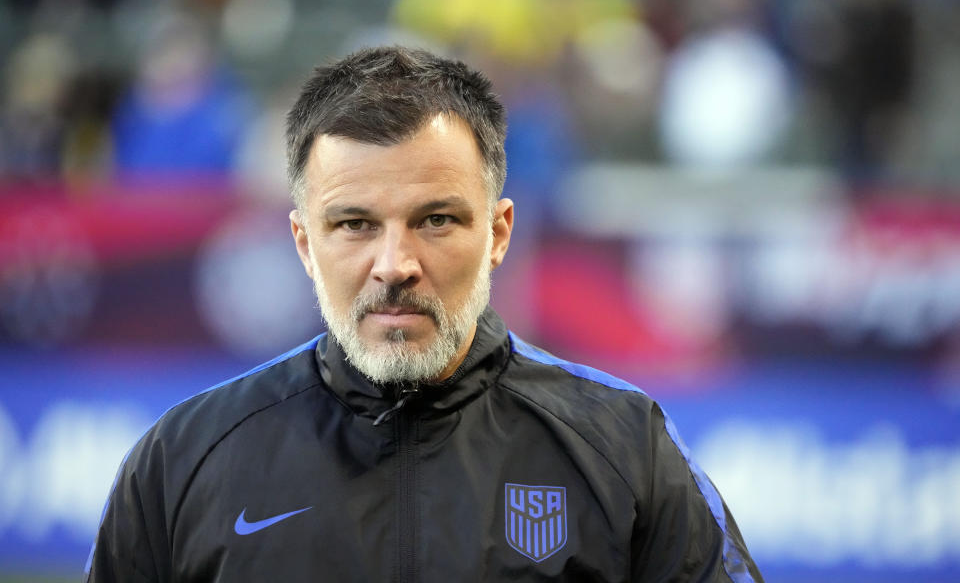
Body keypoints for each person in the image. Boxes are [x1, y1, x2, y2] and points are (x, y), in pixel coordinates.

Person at [85, 46, 763, 582]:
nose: (394, 264)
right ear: (303, 244)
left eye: (435, 220)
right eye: (353, 224)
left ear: (498, 234)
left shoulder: (623, 447)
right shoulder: (183, 458)